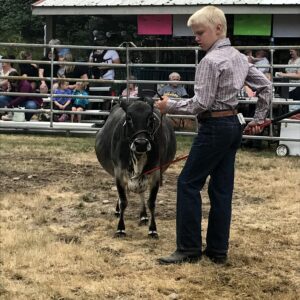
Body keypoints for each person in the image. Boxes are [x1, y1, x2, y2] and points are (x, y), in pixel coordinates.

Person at [155, 5, 271, 265]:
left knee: (188, 184)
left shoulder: (210, 61)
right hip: (232, 126)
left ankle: (188, 248)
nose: (196, 38)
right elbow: (266, 87)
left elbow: (200, 104)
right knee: (221, 190)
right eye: (195, 33)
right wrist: (260, 118)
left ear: (218, 29)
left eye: (200, 33)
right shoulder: (240, 57)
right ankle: (218, 251)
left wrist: (168, 106)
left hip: (214, 128)